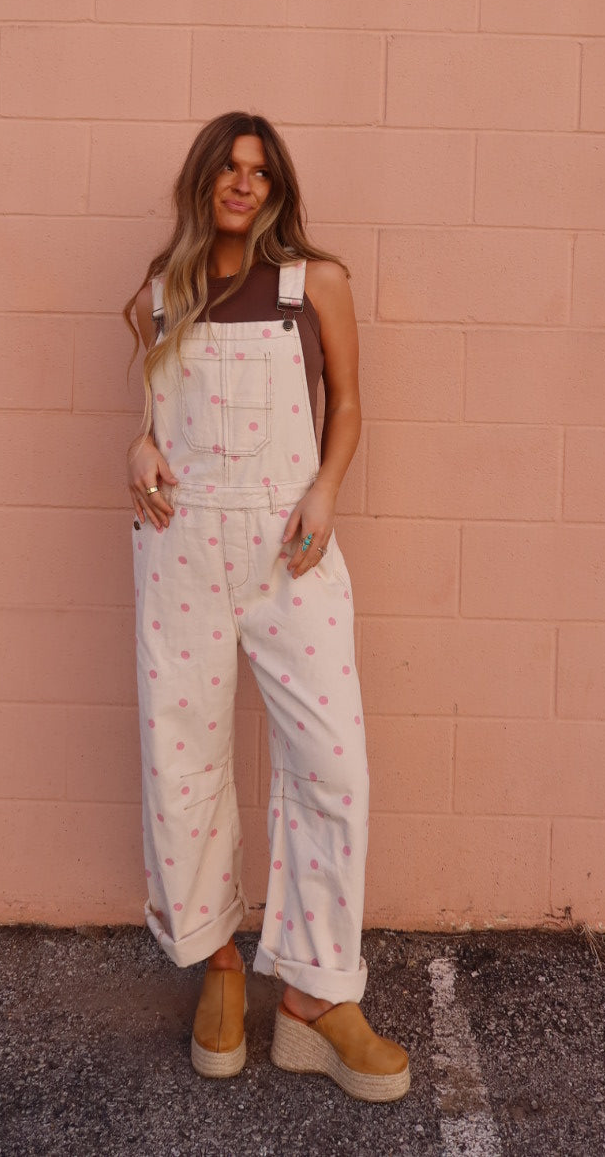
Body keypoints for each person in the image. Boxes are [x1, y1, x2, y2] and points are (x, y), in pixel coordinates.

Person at [123, 112, 409, 1102]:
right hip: (181, 544)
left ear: (276, 187)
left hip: (292, 544)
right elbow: (153, 410)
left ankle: (316, 998)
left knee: (332, 764)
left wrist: (326, 490)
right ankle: (219, 963)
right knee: (183, 756)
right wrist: (138, 445)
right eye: (229, 169)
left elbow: (349, 404)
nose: (244, 184)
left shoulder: (313, 284)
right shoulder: (163, 291)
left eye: (261, 171)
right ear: (203, 181)